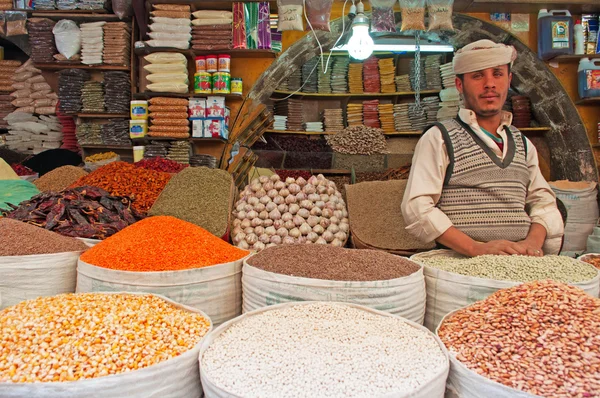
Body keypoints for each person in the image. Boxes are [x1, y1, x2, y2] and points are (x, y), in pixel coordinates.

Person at [401, 39, 564, 257]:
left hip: (520, 259)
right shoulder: (440, 138)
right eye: (477, 76)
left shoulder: (523, 144)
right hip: (461, 261)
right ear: (459, 85)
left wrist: (532, 243)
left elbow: (543, 201)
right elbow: (417, 207)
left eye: (497, 74)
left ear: (509, 80)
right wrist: (475, 248)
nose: (489, 84)